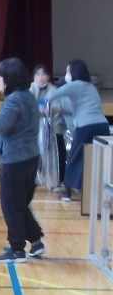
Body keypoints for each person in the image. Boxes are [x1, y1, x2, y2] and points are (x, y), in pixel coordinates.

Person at [0, 57, 45, 263]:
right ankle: (36, 241)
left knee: (11, 205)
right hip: (30, 158)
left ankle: (17, 250)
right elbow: (12, 128)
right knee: (20, 203)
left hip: (16, 161)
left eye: (1, 77)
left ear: (10, 79)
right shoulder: (28, 96)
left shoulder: (14, 100)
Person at [46, 59, 110, 202]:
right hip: (102, 125)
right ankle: (98, 191)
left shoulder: (74, 85)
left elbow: (51, 95)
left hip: (85, 126)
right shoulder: (91, 87)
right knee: (97, 158)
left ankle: (67, 193)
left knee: (74, 157)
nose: (66, 74)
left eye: (68, 71)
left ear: (74, 72)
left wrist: (42, 104)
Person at [29, 64, 69, 189]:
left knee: (57, 152)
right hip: (34, 127)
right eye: (37, 74)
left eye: (43, 74)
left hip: (52, 126)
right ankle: (35, 177)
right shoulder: (30, 88)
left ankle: (56, 180)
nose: (40, 77)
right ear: (33, 77)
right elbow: (27, 106)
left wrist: (48, 110)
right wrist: (38, 110)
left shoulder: (53, 89)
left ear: (48, 76)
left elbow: (58, 106)